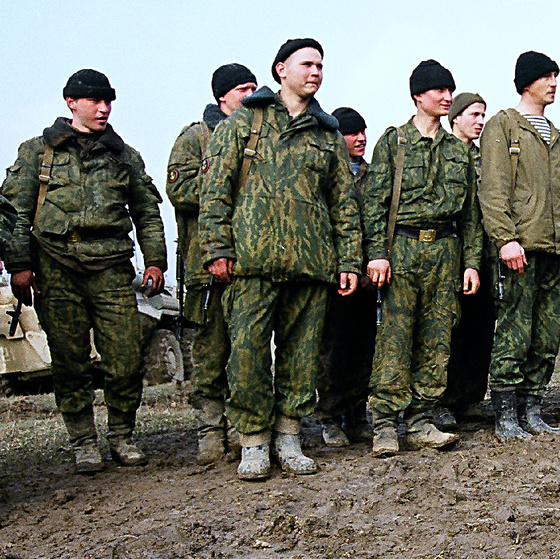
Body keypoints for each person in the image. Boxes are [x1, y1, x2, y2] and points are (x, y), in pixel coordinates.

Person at [198, 38, 362, 481]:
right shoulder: (245, 122)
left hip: (311, 264)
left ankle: (289, 437)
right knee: (247, 355)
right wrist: (217, 250)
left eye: (320, 65)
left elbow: (344, 205)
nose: (315, 72)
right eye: (306, 64)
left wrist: (348, 261)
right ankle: (253, 440)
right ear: (281, 70)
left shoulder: (327, 134)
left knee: (302, 357)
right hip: (251, 263)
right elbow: (215, 192)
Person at [1, 69, 167, 473]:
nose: (103, 108)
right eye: (95, 101)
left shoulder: (124, 156)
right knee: (69, 361)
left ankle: (121, 436)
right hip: (56, 267)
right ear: (71, 103)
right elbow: (16, 213)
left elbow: (146, 213)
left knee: (125, 359)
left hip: (112, 267)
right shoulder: (37, 152)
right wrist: (19, 266)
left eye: (108, 101)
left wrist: (156, 260)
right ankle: (83, 442)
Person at [362, 60, 483, 455]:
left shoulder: (457, 151)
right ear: (418, 96)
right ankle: (384, 423)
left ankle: (420, 420)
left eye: (450, 90)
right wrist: (377, 255)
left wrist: (471, 263)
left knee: (437, 338)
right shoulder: (394, 142)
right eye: (439, 90)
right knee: (395, 338)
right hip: (403, 249)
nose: (447, 97)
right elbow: (375, 205)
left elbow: (470, 215)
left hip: (445, 252)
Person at [478, 51, 560, 440]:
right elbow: (493, 189)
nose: (554, 83)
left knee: (547, 336)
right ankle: (506, 416)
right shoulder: (503, 126)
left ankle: (532, 409)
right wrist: (505, 239)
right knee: (514, 332)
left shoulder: (555, 135)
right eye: (547, 76)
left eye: (556, 76)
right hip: (521, 248)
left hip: (558, 250)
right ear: (526, 82)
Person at [166, 62, 257, 464]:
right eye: (242, 90)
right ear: (222, 96)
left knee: (247, 348)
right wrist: (225, 180)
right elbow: (179, 190)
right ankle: (209, 427)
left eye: (254, 88)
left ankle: (241, 425)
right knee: (209, 349)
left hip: (250, 262)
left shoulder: (258, 134)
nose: (250, 96)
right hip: (205, 263)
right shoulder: (195, 137)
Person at [315, 106, 376, 447]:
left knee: (363, 350)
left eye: (363, 131)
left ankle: (357, 414)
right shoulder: (325, 173)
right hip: (334, 280)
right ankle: (330, 417)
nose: (360, 138)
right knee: (332, 352)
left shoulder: (373, 174)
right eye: (352, 132)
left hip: (367, 280)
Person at [438, 91, 494, 425]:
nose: (480, 121)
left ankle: (472, 396)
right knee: (449, 330)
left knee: (480, 326)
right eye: (474, 114)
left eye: (483, 115)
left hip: (484, 253)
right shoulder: (443, 152)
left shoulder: (486, 158)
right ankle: (443, 400)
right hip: (449, 252)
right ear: (455, 118)